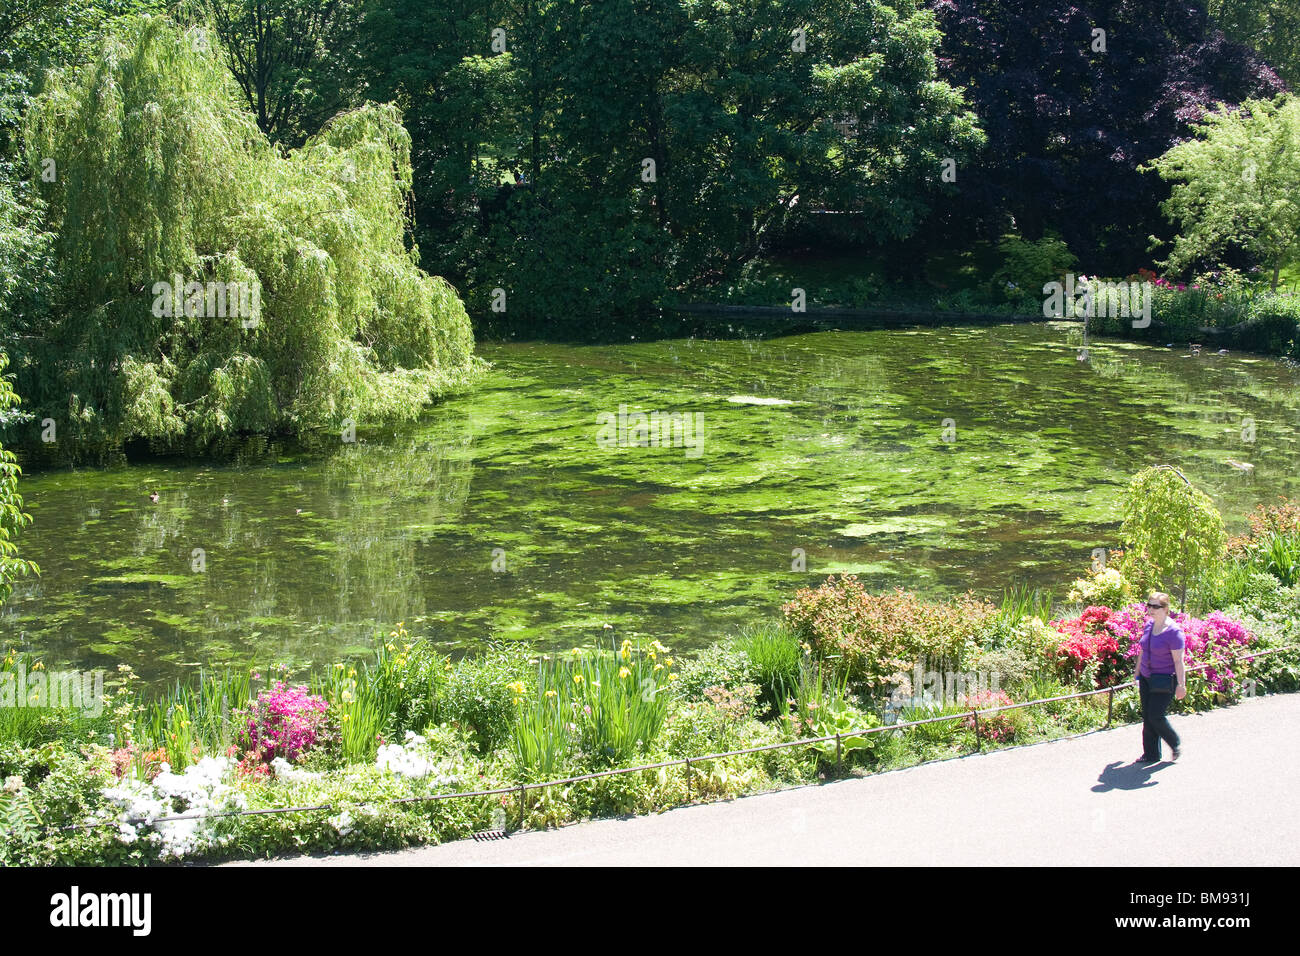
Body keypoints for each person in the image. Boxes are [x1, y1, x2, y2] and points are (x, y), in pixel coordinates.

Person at [1134, 591, 1186, 764]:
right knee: (1147, 717)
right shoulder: (1149, 625)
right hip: (1147, 676)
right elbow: (1143, 649)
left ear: (1165, 609)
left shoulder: (1173, 632)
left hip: (1164, 679)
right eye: (1149, 605)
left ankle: (1174, 742)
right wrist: (1137, 671)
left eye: (1155, 606)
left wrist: (1181, 685)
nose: (1151, 609)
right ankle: (1151, 754)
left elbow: (1178, 661)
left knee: (1155, 715)